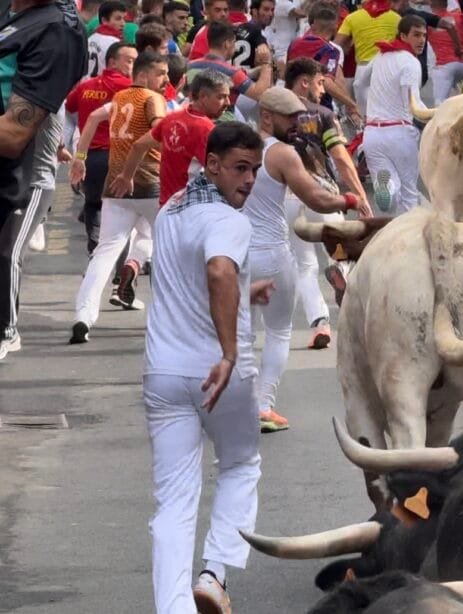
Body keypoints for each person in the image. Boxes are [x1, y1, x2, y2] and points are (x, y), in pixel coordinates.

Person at [143, 121, 268, 614]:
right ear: (212, 165)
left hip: (162, 373)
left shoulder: (171, 210)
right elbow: (218, 270)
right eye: (240, 168)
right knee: (241, 464)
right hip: (219, 374)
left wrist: (244, 293)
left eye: (255, 170)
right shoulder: (228, 220)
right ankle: (214, 573)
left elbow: (198, 279)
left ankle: (174, 609)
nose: (250, 180)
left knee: (173, 504)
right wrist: (231, 351)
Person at [245, 86, 363, 432]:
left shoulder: (239, 148)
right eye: (291, 118)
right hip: (271, 253)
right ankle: (263, 406)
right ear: (267, 115)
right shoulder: (281, 153)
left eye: (300, 117)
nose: (298, 124)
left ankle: (238, 406)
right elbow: (317, 200)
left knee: (244, 335)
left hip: (237, 254)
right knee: (279, 331)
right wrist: (350, 201)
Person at [0, 0, 87, 361]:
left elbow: (13, 136)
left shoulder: (57, 31)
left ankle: (6, 329)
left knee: (6, 253)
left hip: (24, 183)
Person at [69, 51, 169, 343]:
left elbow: (91, 121)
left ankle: (83, 316)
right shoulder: (153, 99)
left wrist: (79, 157)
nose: (165, 79)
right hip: (149, 185)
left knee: (105, 251)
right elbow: (156, 134)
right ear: (143, 75)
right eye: (160, 73)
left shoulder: (120, 99)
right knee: (164, 249)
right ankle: (164, 319)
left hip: (115, 190)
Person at [284, 58, 372, 348]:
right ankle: (339, 271)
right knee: (341, 251)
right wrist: (358, 195)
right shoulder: (322, 115)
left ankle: (320, 324)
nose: (323, 90)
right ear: (304, 82)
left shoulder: (272, 115)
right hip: (323, 196)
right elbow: (341, 159)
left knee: (304, 265)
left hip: (289, 200)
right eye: (321, 83)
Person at [111, 69, 230, 207]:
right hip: (189, 208)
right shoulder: (206, 130)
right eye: (221, 97)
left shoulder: (172, 118)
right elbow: (221, 174)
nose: (227, 102)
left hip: (166, 206)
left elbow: (139, 145)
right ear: (203, 96)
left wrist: (126, 176)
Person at [65, 42, 137, 257]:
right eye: (130, 60)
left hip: (90, 157)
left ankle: (94, 248)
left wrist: (72, 150)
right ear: (113, 61)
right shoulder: (131, 88)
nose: (133, 65)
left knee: (93, 204)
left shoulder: (86, 87)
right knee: (124, 211)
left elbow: (68, 112)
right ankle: (120, 264)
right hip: (121, 157)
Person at [361, 14, 429, 213]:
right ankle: (407, 240)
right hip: (400, 133)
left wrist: (363, 109)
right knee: (409, 194)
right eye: (416, 35)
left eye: (424, 35)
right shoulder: (410, 63)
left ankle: (389, 189)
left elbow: (359, 83)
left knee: (390, 195)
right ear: (403, 36)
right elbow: (413, 104)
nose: (422, 40)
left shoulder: (380, 56)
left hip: (372, 133)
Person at [187, 21, 273, 122]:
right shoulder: (230, 72)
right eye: (234, 43)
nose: (235, 48)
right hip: (223, 124)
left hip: (194, 119)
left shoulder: (191, 65)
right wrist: (267, 64)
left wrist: (256, 71)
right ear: (227, 44)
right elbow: (259, 94)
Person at [287, 4, 361, 118]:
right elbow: (329, 82)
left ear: (312, 25)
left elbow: (286, 73)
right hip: (319, 110)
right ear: (336, 27)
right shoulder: (331, 50)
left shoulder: (294, 44)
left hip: (291, 105)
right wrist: (351, 104)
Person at [334, 0, 401, 116]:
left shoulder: (352, 18)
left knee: (364, 114)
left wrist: (347, 47)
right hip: (389, 67)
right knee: (389, 111)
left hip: (364, 69)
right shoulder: (397, 18)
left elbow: (335, 45)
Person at [88, 0, 128, 77]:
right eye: (118, 19)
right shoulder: (117, 45)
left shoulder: (90, 39)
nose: (123, 24)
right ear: (104, 20)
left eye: (124, 19)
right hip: (103, 87)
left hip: (85, 86)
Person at [232, 0, 271, 69]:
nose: (271, 14)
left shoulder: (233, 27)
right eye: (266, 9)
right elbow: (261, 60)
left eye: (272, 10)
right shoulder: (257, 31)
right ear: (254, 11)